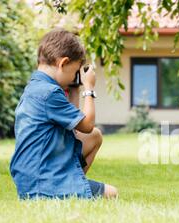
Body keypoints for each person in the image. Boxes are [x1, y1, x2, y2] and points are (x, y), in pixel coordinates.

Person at [10, 29, 118, 199]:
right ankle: (68, 192)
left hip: (32, 175)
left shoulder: (36, 87)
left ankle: (74, 185)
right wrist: (89, 89)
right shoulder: (49, 93)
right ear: (63, 63)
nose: (74, 76)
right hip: (43, 180)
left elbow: (75, 127)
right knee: (112, 193)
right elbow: (87, 125)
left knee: (95, 137)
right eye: (75, 71)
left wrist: (74, 89)